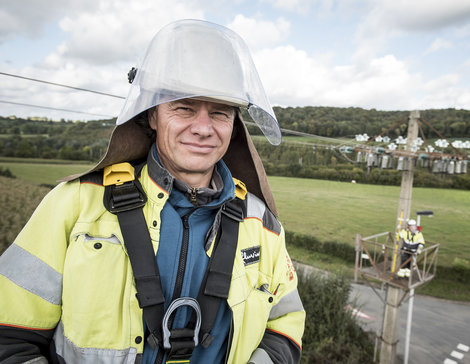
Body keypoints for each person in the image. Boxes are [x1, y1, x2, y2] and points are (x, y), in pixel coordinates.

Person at [0, 19, 305, 364]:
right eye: (184, 107)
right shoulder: (75, 205)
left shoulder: (262, 225)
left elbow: (286, 326)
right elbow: (9, 338)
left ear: (234, 126)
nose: (203, 128)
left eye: (220, 112)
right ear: (153, 116)